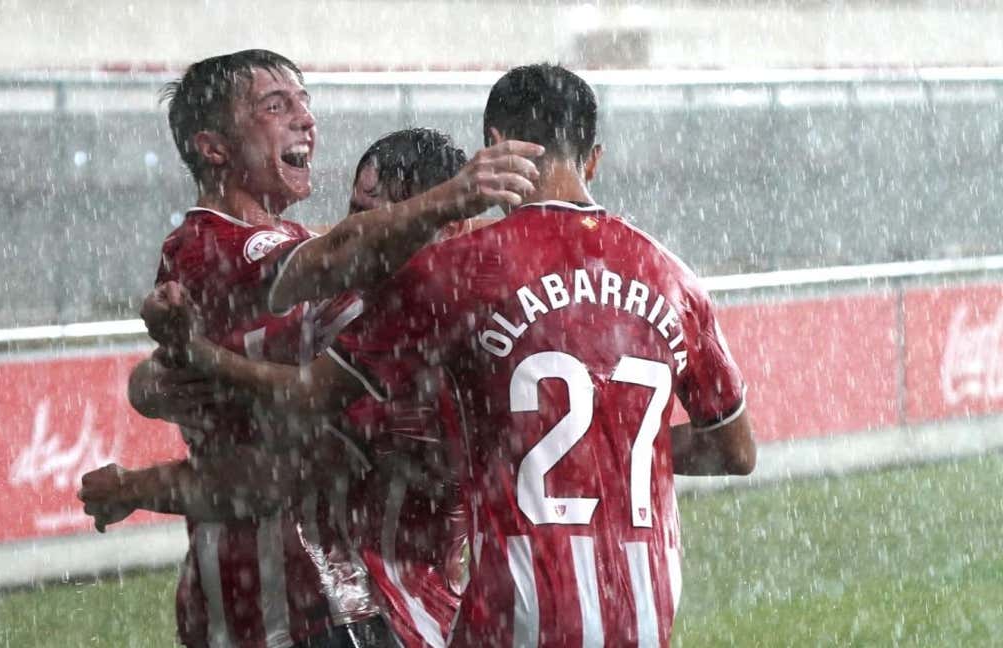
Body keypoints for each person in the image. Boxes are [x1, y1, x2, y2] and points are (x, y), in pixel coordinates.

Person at [149, 64, 757, 647]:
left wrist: (193, 358)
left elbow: (311, 395)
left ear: (492, 145)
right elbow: (737, 450)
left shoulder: (456, 276)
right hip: (644, 611)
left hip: (501, 614)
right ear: (593, 158)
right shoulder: (673, 278)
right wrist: (609, 456)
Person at [79, 48, 542, 648]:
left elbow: (295, 442)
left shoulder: (341, 278)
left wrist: (162, 402)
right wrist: (456, 195)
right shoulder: (214, 246)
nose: (306, 119)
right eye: (277, 106)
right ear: (213, 146)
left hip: (337, 603)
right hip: (290, 606)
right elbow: (286, 463)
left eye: (305, 103)